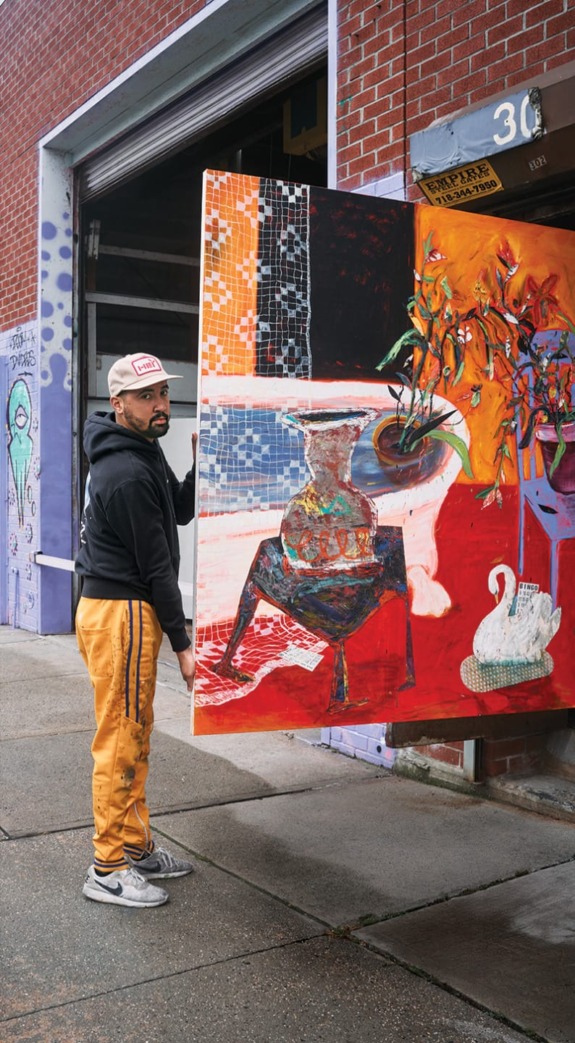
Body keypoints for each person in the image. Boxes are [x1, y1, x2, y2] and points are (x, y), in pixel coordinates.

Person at [75, 352, 197, 908]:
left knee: (136, 733)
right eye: (147, 396)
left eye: (164, 394)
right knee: (121, 740)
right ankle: (106, 868)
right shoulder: (124, 473)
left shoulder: (143, 450)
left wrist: (198, 467)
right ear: (118, 402)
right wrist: (184, 644)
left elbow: (178, 511)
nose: (161, 405)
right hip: (121, 611)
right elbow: (156, 569)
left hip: (125, 609)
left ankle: (137, 845)